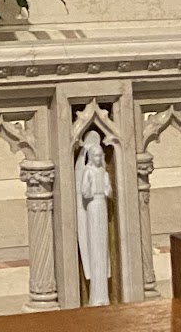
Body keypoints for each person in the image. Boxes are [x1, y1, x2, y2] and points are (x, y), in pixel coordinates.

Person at [75, 130, 111, 306]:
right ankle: (95, 296)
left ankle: (103, 295)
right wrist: (90, 189)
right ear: (90, 156)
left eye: (100, 155)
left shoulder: (103, 171)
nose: (98, 158)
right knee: (94, 245)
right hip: (92, 208)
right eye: (95, 155)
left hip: (102, 205)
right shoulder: (87, 171)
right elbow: (84, 191)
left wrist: (106, 186)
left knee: (103, 247)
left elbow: (108, 190)